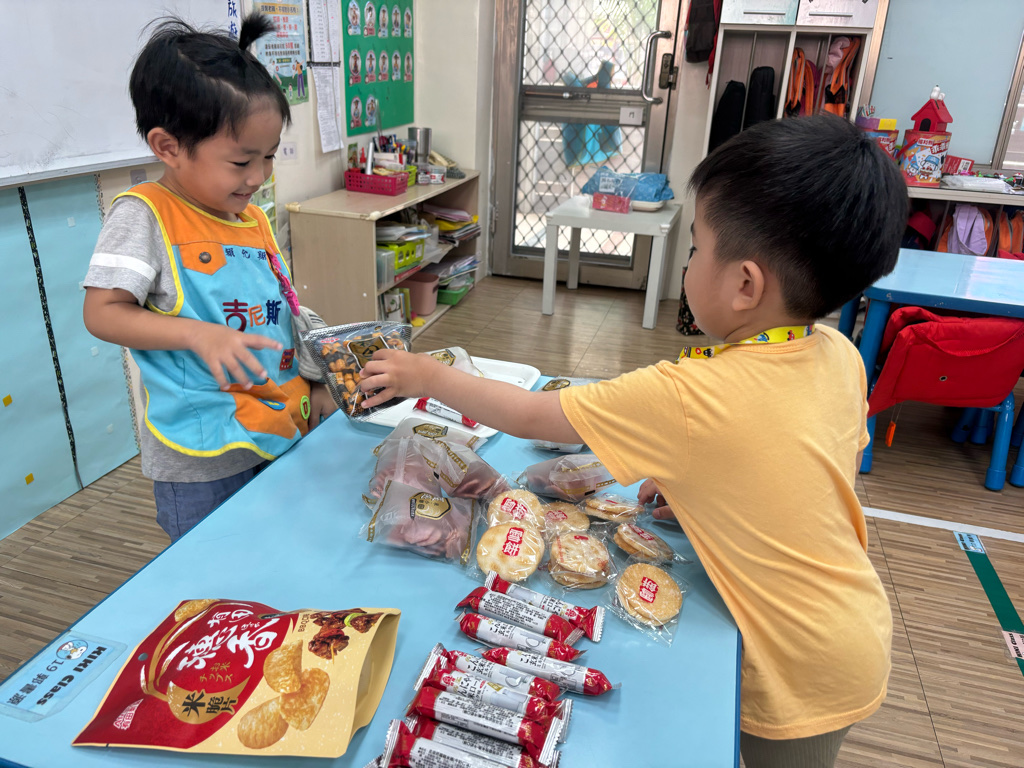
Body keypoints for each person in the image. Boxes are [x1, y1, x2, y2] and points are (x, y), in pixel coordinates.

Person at [357, 114, 907, 768]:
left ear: (745, 284)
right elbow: (803, 463)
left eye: (697, 248)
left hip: (792, 667)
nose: (688, 263)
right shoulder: (838, 353)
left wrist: (426, 374)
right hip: (852, 626)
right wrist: (708, 483)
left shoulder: (691, 395)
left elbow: (533, 415)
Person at [83, 13, 335, 543]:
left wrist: (316, 379)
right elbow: (102, 312)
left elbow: (282, 309)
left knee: (278, 551)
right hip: (201, 457)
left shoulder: (252, 218)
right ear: (168, 146)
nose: (258, 177)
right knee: (213, 570)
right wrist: (198, 334)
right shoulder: (145, 215)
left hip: (278, 426)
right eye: (241, 162)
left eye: (269, 157)